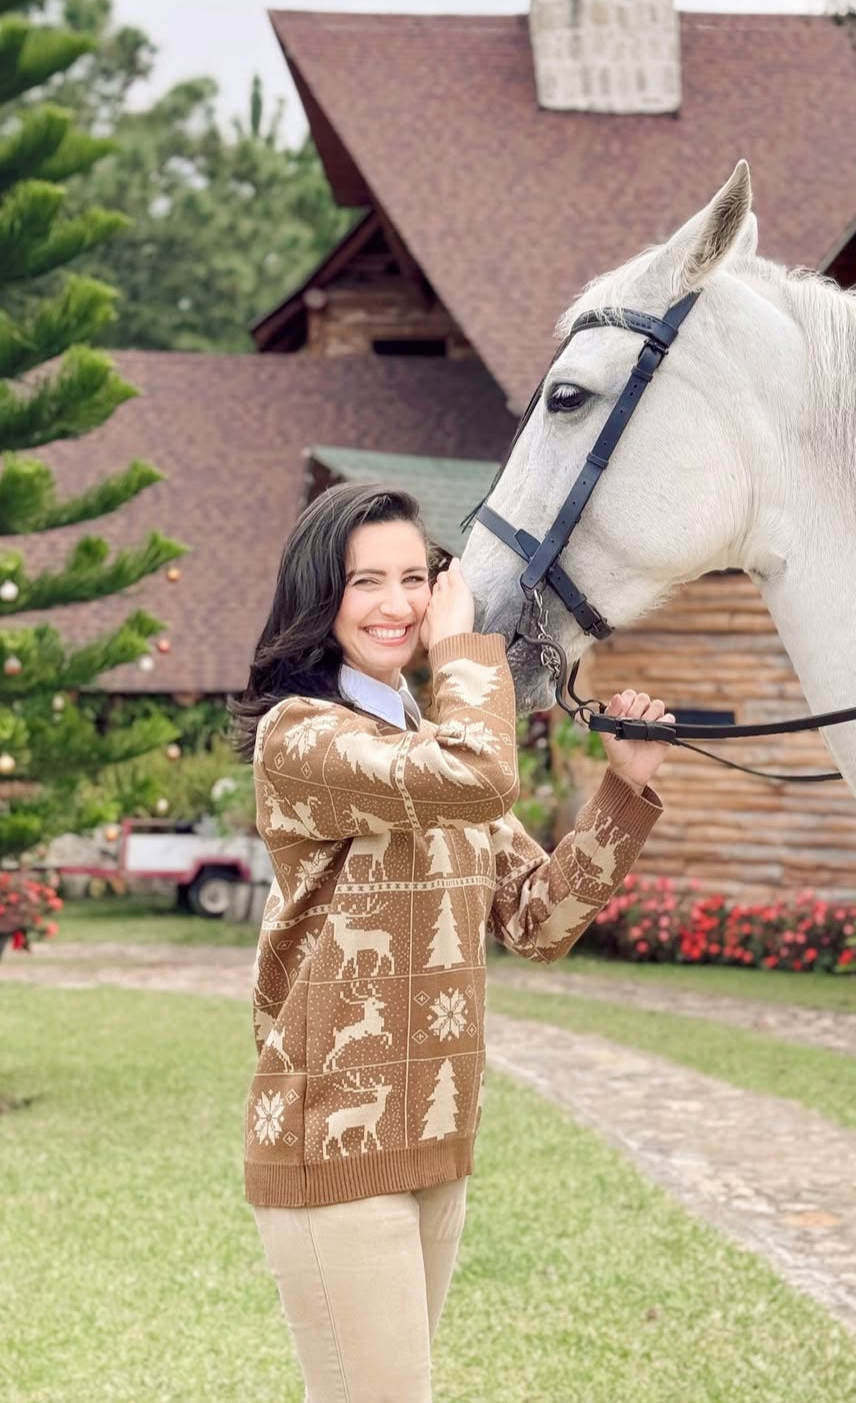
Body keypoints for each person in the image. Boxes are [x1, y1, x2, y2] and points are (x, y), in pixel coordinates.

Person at [231, 482, 674, 1403]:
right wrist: (466, 651)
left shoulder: (431, 746)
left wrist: (624, 789)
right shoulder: (303, 736)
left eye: (414, 579)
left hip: (435, 1135)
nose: (397, 605)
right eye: (367, 583)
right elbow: (475, 778)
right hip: (329, 1146)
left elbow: (535, 921)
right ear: (324, 597)